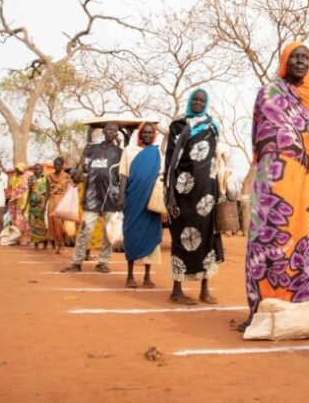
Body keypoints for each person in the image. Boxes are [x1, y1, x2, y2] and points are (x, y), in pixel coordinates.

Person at [240, 43, 309, 331]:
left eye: (305, 58)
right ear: (284, 61)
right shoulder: (267, 94)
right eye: (295, 57)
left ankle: (302, 309)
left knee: (304, 237)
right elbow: (257, 136)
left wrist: (297, 150)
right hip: (272, 180)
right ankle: (259, 310)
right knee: (268, 240)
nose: (301, 62)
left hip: (304, 178)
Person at [164, 89, 224, 305]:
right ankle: (177, 290)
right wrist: (170, 195)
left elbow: (216, 162)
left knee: (208, 238)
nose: (198, 103)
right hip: (182, 192)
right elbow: (170, 162)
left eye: (202, 100)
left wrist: (220, 190)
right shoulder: (178, 126)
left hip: (207, 193)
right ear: (190, 102)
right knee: (180, 238)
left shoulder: (212, 127)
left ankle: (204, 289)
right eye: (195, 99)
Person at [62, 123, 123, 273]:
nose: (110, 132)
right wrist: (82, 161)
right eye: (108, 130)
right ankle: (76, 262)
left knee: (108, 232)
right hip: (92, 196)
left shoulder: (120, 152)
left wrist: (121, 198)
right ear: (103, 132)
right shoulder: (92, 149)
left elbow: (123, 176)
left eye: (114, 131)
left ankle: (103, 262)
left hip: (111, 196)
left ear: (117, 135)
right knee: (85, 229)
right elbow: (83, 173)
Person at [120, 122, 163, 288]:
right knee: (131, 234)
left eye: (150, 133)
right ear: (139, 134)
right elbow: (123, 175)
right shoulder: (128, 151)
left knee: (151, 236)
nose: (147, 135)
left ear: (154, 135)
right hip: (133, 199)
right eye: (144, 132)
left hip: (151, 201)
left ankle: (147, 276)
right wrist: (121, 197)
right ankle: (130, 275)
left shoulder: (157, 152)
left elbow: (160, 174)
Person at [45, 157, 72, 254]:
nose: (57, 166)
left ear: (62, 165)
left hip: (63, 202)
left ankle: (62, 243)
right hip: (52, 202)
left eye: (59, 164)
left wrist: (70, 203)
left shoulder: (66, 177)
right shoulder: (49, 177)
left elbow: (70, 190)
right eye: (55, 164)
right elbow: (47, 192)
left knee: (61, 224)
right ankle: (59, 244)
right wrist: (44, 205)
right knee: (53, 224)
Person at [27, 163, 49, 250]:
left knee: (43, 224)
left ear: (42, 169)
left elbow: (48, 192)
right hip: (33, 204)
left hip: (42, 204)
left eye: (39, 169)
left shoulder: (46, 178)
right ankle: (36, 243)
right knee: (33, 224)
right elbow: (29, 192)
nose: (37, 170)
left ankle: (45, 244)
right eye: (35, 169)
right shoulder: (31, 179)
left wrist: (45, 205)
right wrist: (26, 204)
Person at [8, 163, 31, 245]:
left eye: (19, 169)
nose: (17, 171)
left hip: (27, 200)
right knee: (18, 220)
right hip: (18, 201)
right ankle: (19, 238)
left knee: (26, 220)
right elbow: (12, 186)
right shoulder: (14, 177)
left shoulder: (29, 175)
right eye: (16, 169)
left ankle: (27, 239)